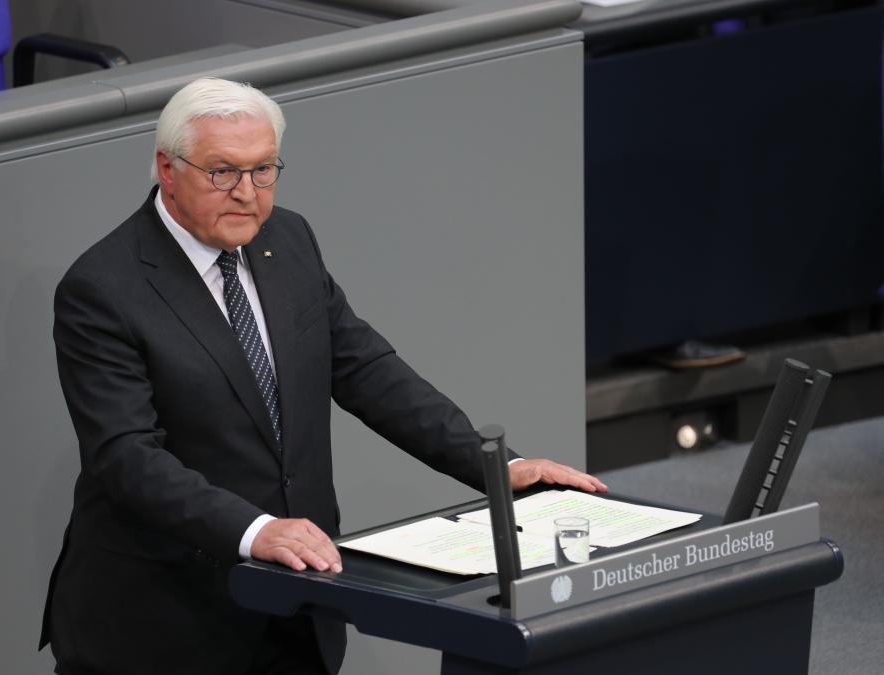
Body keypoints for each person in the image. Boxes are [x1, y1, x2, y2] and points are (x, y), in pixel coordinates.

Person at [39, 77, 607, 675]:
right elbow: (126, 455)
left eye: (263, 170)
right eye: (222, 172)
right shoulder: (104, 288)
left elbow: (365, 369)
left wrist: (499, 469)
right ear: (168, 168)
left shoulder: (287, 239)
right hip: (164, 621)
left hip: (296, 599)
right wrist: (254, 530)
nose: (247, 193)